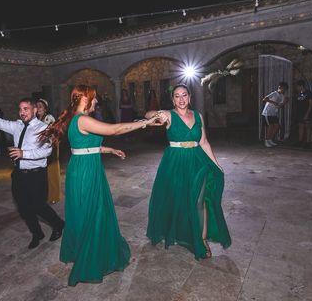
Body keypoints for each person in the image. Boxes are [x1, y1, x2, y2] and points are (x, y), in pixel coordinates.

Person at [39, 85, 163, 286]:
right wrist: (146, 122)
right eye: (94, 98)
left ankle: (86, 249)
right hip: (86, 173)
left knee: (88, 212)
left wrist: (108, 150)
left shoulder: (77, 119)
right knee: (92, 213)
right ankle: (90, 259)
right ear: (85, 99)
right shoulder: (83, 119)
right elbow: (116, 129)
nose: (97, 102)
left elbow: (84, 146)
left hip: (86, 167)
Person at [145, 84, 230, 259]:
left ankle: (202, 239)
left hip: (198, 161)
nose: (181, 99)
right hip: (175, 163)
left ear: (190, 97)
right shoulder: (168, 115)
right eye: (177, 96)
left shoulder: (198, 115)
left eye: (184, 95)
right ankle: (177, 232)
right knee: (176, 199)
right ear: (173, 99)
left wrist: (216, 164)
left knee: (200, 200)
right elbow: (147, 115)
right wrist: (156, 114)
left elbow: (204, 142)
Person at [0, 95, 64, 249]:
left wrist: (24, 154)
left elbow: (47, 152)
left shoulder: (44, 129)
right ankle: (37, 233)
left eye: (26, 109)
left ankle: (59, 225)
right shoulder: (17, 126)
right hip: (19, 174)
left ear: (35, 110)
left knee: (38, 206)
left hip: (37, 174)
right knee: (23, 208)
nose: (22, 112)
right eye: (20, 109)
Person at [36, 98, 61, 204]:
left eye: (40, 106)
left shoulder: (48, 117)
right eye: (36, 106)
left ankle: (54, 195)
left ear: (45, 109)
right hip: (42, 147)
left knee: (52, 171)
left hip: (52, 146)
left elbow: (50, 133)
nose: (38, 108)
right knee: (44, 173)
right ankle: (46, 194)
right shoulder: (37, 119)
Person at [261, 81, 288, 147]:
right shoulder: (274, 93)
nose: (284, 90)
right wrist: (273, 102)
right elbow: (264, 99)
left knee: (277, 126)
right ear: (279, 87)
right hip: (267, 113)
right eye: (283, 89)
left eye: (285, 89)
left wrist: (285, 102)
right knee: (270, 126)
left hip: (274, 114)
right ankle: (266, 141)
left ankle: (270, 139)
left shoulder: (282, 96)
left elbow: (279, 106)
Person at [293, 80, 312, 148]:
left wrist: (307, 114)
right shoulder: (298, 93)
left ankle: (308, 142)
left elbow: (311, 104)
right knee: (300, 126)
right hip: (299, 113)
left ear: (301, 86)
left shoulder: (308, 93)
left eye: (297, 86)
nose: (296, 88)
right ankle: (300, 141)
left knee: (307, 127)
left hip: (306, 112)